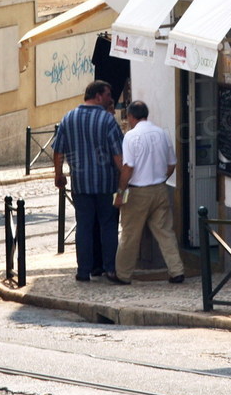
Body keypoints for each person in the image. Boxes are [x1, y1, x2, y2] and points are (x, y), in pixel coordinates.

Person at [52, 80, 124, 283]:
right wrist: (125, 180)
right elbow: (118, 156)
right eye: (109, 94)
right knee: (108, 225)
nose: (111, 99)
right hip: (106, 183)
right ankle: (109, 269)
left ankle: (83, 271)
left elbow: (58, 150)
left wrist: (58, 175)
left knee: (83, 226)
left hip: (80, 183)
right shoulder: (107, 121)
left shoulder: (69, 118)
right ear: (98, 96)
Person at [113, 101, 186, 285]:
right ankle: (177, 270)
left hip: (138, 192)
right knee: (165, 232)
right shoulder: (162, 133)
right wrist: (162, 177)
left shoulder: (131, 136)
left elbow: (128, 168)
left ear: (131, 116)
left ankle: (123, 274)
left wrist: (120, 191)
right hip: (160, 189)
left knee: (130, 234)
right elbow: (172, 163)